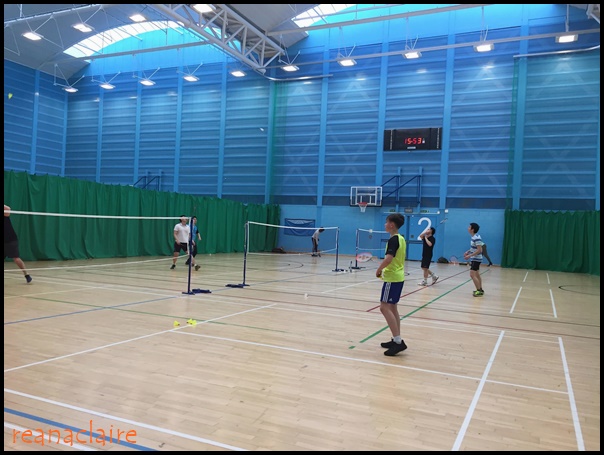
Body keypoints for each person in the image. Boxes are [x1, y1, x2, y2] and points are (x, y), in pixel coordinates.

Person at [375, 213, 408, 356]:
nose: (385, 224)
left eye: (386, 222)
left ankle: (398, 342)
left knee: (384, 307)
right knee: (393, 308)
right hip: (398, 277)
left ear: (392, 225)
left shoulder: (394, 239)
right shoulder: (401, 238)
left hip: (392, 278)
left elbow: (388, 258)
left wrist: (379, 269)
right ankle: (396, 339)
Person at [4, 204, 32, 284]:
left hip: (11, 240)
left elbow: (8, 208)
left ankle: (26, 275)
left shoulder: (5, 214)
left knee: (16, 258)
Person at [463, 222, 485, 297]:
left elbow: (479, 250)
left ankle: (478, 291)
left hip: (476, 259)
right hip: (475, 258)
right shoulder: (474, 237)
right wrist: (468, 251)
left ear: (472, 229)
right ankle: (480, 289)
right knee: (477, 274)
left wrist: (469, 256)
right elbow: (474, 248)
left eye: (469, 227)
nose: (468, 228)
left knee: (472, 275)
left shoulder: (477, 238)